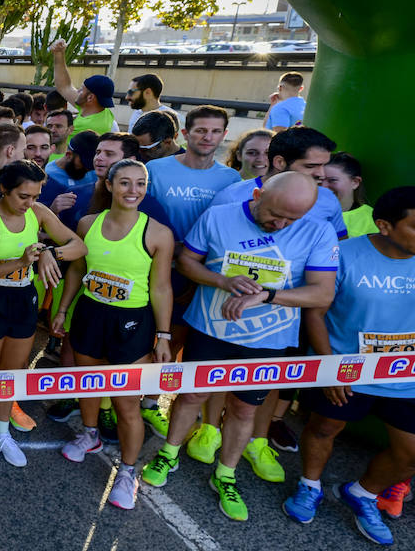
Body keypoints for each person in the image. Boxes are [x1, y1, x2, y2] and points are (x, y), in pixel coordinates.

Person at [141, 172, 338, 522]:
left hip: (269, 339)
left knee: (244, 410)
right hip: (210, 328)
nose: (281, 224)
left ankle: (226, 474)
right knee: (191, 397)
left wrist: (269, 295)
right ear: (259, 194)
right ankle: (169, 453)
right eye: (276, 214)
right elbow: (187, 262)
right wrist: (223, 281)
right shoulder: (220, 215)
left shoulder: (317, 230)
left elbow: (322, 292)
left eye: (292, 219)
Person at [285, 187, 415, 544]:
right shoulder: (343, 255)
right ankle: (310, 485)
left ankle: (362, 493)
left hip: (411, 375)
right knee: (324, 428)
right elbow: (316, 311)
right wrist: (329, 367)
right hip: (346, 368)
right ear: (385, 226)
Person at [53, 159, 175, 509]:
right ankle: (89, 434)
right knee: (88, 384)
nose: (132, 191)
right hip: (91, 315)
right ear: (109, 185)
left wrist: (164, 336)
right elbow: (77, 269)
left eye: (140, 184)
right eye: (124, 183)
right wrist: (63, 309)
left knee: (126, 405)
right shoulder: (88, 223)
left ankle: (128, 470)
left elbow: (162, 288)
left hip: (132, 324)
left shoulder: (158, 233)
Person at [0, 161, 85, 468]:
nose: (30, 203)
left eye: (35, 195)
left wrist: (48, 252)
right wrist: (20, 262)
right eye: (23, 196)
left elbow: (78, 246)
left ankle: (1, 432)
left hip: (23, 299)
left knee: (12, 372)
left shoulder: (39, 213)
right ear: (3, 190)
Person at [210, 127, 348, 240]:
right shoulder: (231, 197)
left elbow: (338, 248)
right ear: (280, 162)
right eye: (310, 166)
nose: (321, 174)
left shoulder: (328, 199)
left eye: (324, 165)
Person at [145, 106, 242, 246]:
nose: (208, 137)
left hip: (204, 259)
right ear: (185, 134)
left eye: (216, 131)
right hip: (159, 254)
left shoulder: (231, 178)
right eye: (200, 131)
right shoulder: (154, 169)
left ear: (224, 135)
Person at [50, 39, 117, 136]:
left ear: (90, 98)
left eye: (81, 89)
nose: (77, 91)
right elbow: (65, 86)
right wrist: (59, 54)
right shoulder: (102, 111)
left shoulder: (86, 127)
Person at [322, 152, 375, 238]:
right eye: (319, 180)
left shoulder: (371, 219)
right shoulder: (302, 213)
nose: (323, 187)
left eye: (332, 180)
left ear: (355, 182)